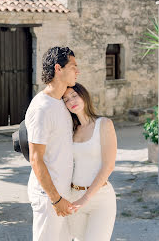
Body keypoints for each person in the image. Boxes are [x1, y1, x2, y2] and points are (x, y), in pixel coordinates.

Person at [25, 46, 79, 241]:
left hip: (63, 195)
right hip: (49, 197)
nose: (77, 71)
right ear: (58, 68)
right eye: (73, 66)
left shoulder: (61, 103)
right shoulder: (42, 108)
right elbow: (35, 158)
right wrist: (55, 199)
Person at [63, 83, 117, 241]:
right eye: (66, 99)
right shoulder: (71, 130)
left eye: (74, 95)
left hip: (100, 198)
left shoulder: (104, 124)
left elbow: (108, 166)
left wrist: (85, 199)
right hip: (73, 197)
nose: (71, 101)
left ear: (83, 96)